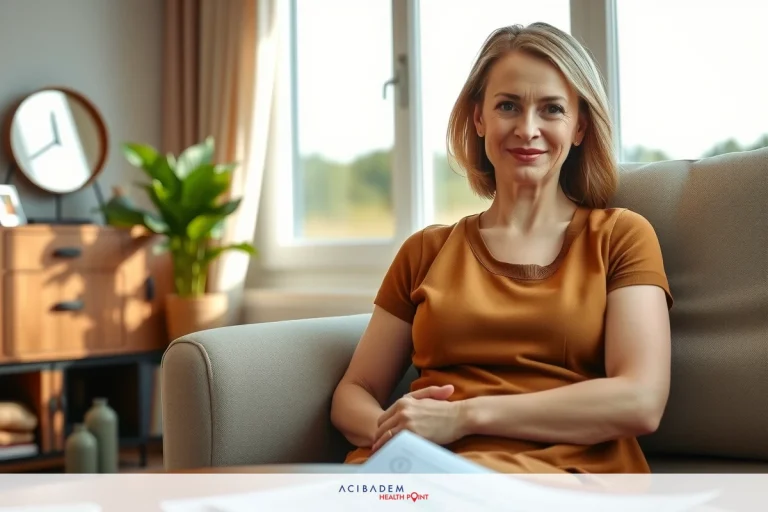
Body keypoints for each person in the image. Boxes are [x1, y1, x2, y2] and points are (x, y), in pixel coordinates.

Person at [330, 22, 673, 474]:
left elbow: (640, 400)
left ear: (580, 127)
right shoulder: (426, 251)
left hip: (561, 481)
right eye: (508, 106)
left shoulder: (620, 237)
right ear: (479, 119)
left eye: (552, 109)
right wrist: (395, 434)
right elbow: (353, 391)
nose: (527, 129)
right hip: (415, 478)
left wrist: (461, 417)